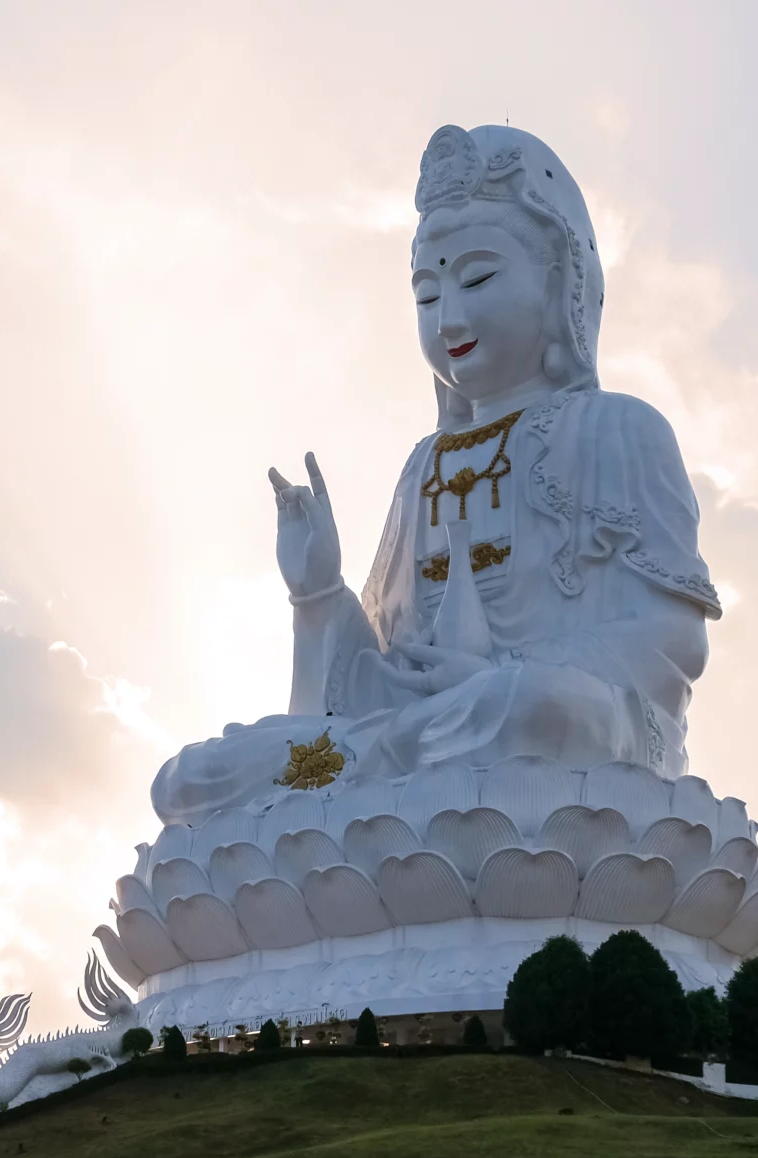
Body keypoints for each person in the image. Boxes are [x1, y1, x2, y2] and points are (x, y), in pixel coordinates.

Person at [149, 124, 719, 826]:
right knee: (188, 780)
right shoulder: (425, 463)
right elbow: (375, 678)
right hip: (413, 735)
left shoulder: (616, 429)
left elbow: (673, 639)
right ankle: (359, 786)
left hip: (544, 728)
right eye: (426, 294)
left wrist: (499, 681)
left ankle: (357, 795)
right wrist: (318, 594)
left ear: (559, 280)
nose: (449, 316)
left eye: (476, 278)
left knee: (536, 712)